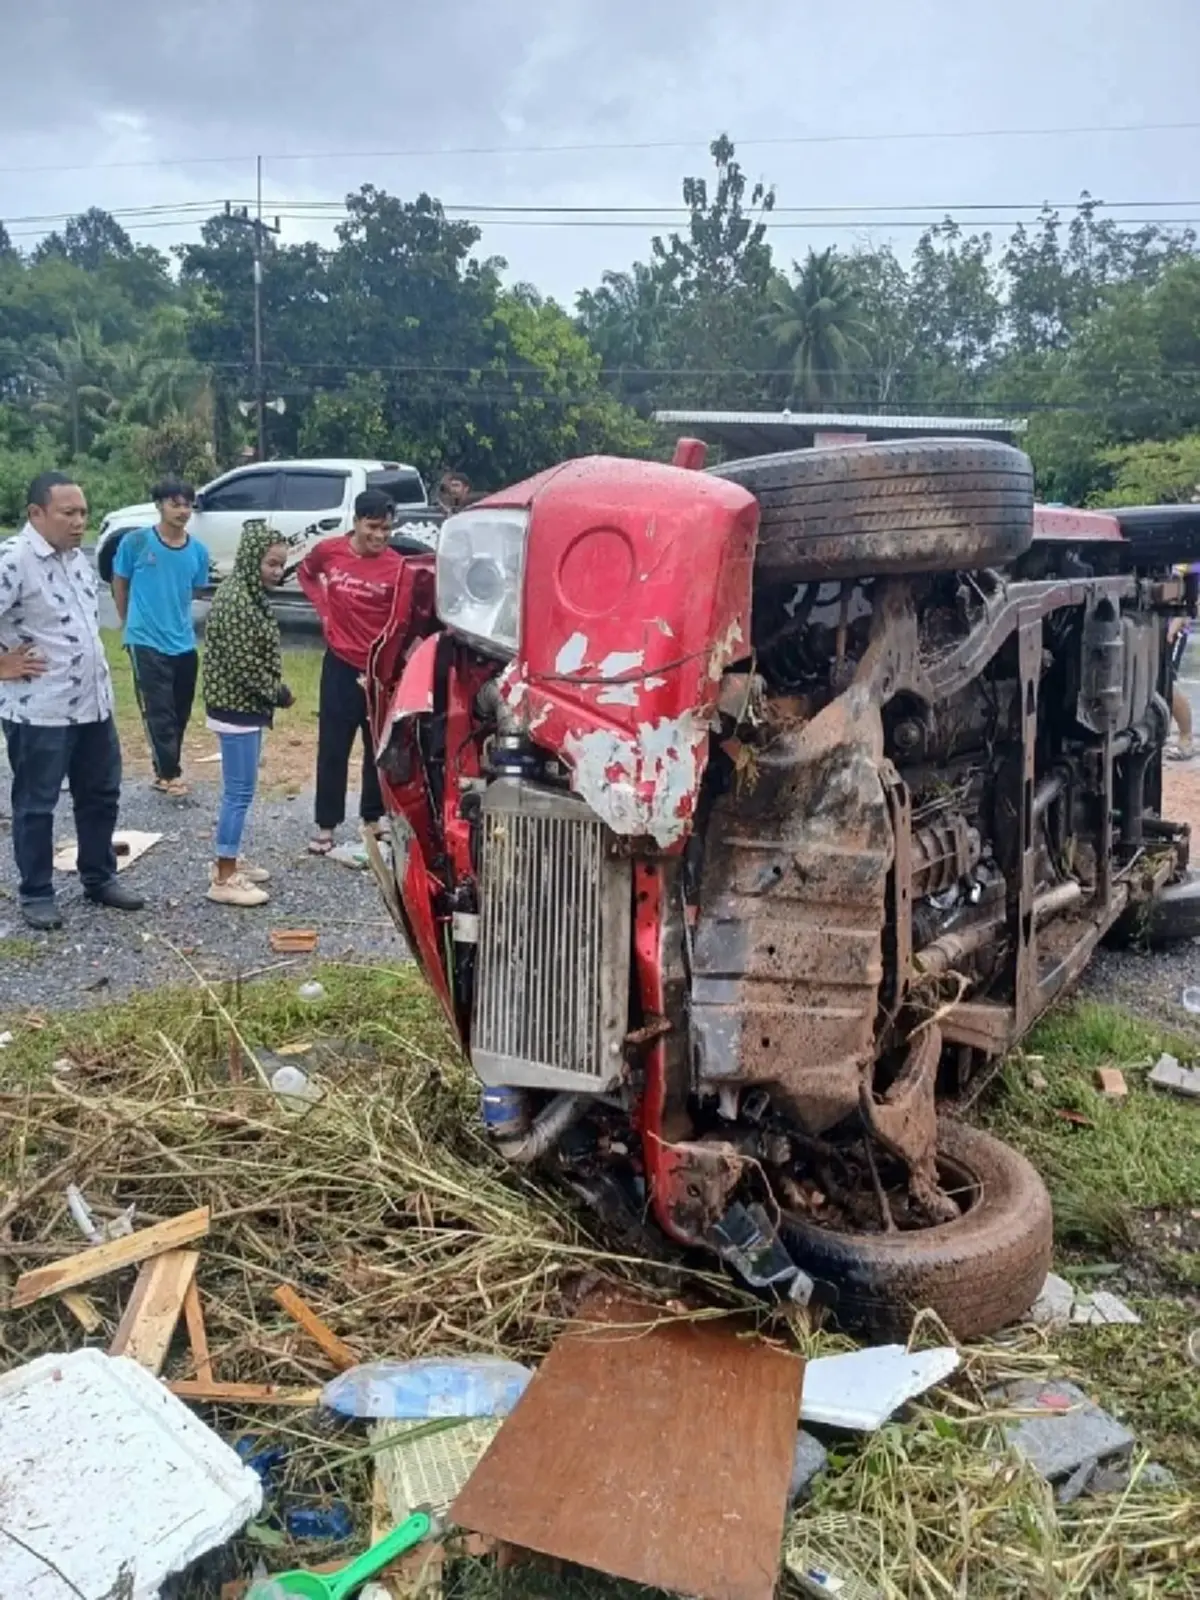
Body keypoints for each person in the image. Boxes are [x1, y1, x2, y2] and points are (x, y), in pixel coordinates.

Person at [0, 472, 144, 930]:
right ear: (36, 514)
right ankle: (37, 892)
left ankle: (99, 877)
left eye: (83, 512)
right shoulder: (13, 561)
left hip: (92, 705)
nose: (79, 521)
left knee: (100, 795)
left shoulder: (76, 559)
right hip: (40, 710)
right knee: (37, 804)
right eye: (68, 513)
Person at [297, 488, 405, 855]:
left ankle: (373, 818)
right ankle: (326, 825)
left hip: (378, 670)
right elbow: (307, 573)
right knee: (333, 746)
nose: (379, 536)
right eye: (373, 526)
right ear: (356, 521)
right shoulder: (329, 552)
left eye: (387, 529)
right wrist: (324, 610)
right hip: (339, 664)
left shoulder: (397, 568)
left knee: (377, 745)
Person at [201, 523, 292, 907]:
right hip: (236, 708)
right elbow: (244, 666)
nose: (276, 571)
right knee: (238, 792)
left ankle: (231, 858)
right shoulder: (238, 600)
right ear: (252, 558)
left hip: (243, 707)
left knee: (240, 790)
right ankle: (223, 876)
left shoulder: (247, 594)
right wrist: (279, 692)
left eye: (281, 565)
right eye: (271, 563)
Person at [111, 477, 210, 797]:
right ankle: (169, 772)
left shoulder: (198, 551)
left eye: (187, 504)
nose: (182, 510)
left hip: (182, 640)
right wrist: (127, 621)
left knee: (180, 708)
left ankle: (167, 766)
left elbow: (193, 588)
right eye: (175, 503)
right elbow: (120, 582)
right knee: (158, 709)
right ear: (159, 505)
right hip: (145, 638)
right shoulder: (136, 543)